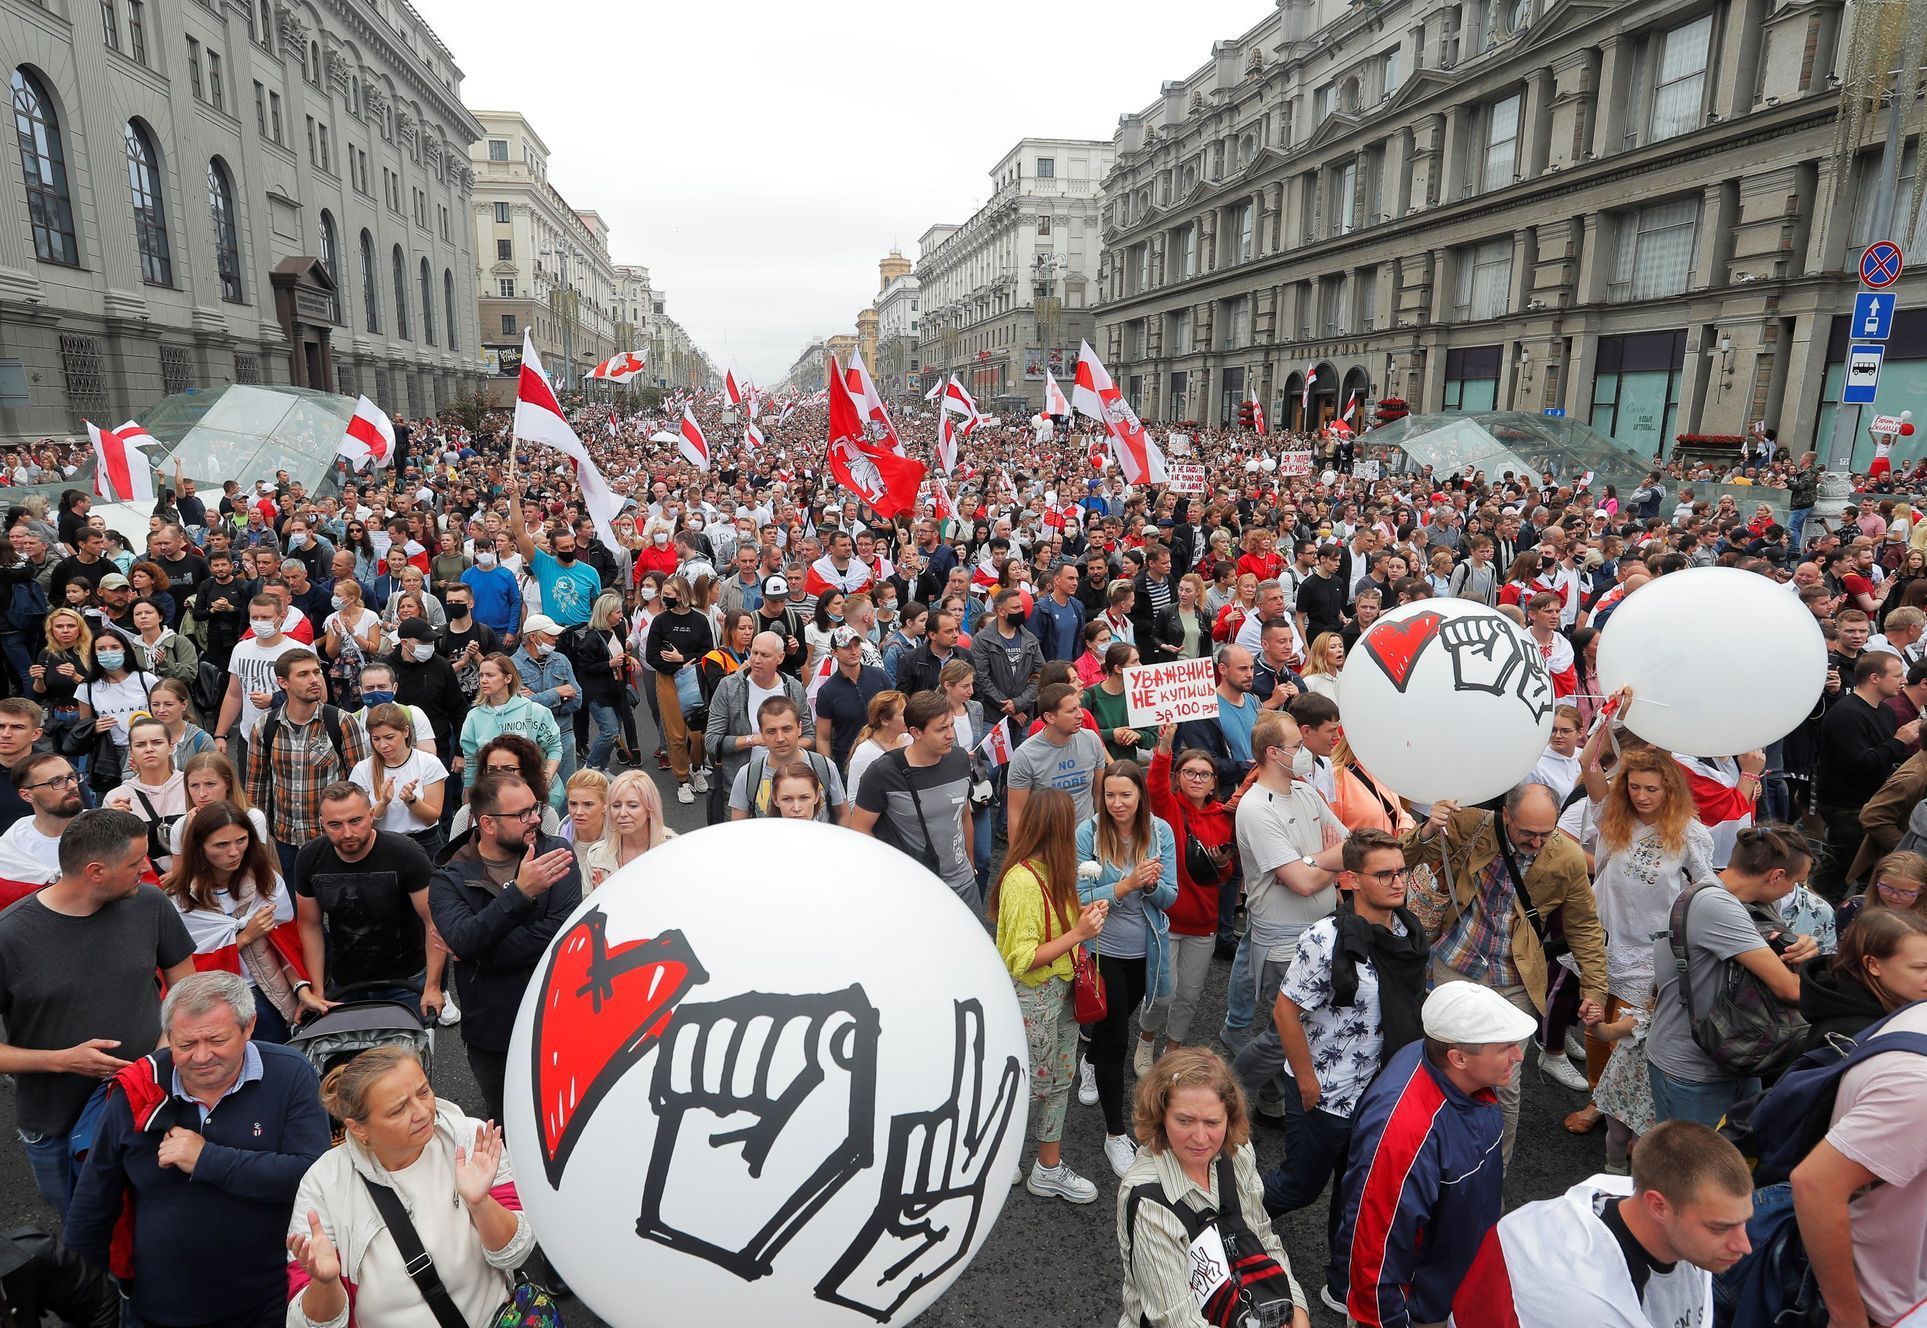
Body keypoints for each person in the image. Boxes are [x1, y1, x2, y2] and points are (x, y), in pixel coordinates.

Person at [63, 970, 332, 1328]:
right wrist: (81, 1303)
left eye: (216, 1040)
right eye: (186, 1045)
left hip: (270, 1299)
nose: (201, 1057)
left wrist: (207, 1159)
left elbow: (313, 1175)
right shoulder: (139, 1090)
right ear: (169, 1036)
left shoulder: (290, 1075)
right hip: (162, 1307)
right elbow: (93, 1205)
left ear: (249, 1027)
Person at [1260, 830, 1429, 1304]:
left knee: (1355, 1194)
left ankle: (1341, 1282)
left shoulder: (1406, 933)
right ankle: (1230, 1217)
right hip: (1327, 1094)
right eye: (1385, 874)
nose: (1399, 883)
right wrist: (1309, 1082)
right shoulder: (1325, 938)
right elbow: (1285, 1012)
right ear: (1352, 879)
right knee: (1300, 1186)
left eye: (1402, 872)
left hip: (1380, 1092)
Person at [0, 808, 196, 1212]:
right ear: (95, 871)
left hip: (149, 1108)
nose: (146, 869)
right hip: (56, 1124)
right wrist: (62, 1061)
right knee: (84, 1240)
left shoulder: (150, 903)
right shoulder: (10, 937)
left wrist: (161, 1052)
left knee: (153, 1229)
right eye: (134, 863)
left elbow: (187, 986)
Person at [1408, 782, 1610, 1165]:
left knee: (1505, 1085)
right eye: (1527, 833)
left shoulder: (1566, 857)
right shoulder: (1471, 824)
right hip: (1456, 966)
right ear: (1506, 816)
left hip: (1515, 982)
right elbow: (1401, 856)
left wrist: (1595, 990)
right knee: (1446, 1066)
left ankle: (1491, 1174)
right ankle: (1433, 1161)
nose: (1537, 843)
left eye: (1545, 834)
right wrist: (1428, 830)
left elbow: (1584, 926)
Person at [1333, 982, 1536, 1328]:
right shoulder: (1402, 1135)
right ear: (1458, 1057)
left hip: (1456, 1279)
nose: (1518, 1056)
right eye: (1505, 1048)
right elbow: (1374, 1254)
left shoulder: (1456, 1071)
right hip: (1423, 1308)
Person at [284, 1047, 534, 1328]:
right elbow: (307, 1324)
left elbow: (517, 1252)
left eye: (424, 1092)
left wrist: (480, 1204)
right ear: (358, 1129)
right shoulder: (322, 1185)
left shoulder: (468, 1138)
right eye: (398, 1109)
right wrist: (325, 1281)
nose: (422, 1112)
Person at [1451, 1121, 1755, 1328]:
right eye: (1719, 1228)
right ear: (1657, 1205)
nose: (1745, 1245)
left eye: (1743, 1223)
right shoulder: (1584, 1308)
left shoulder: (1661, 1209)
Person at [1565, 726, 1716, 1132]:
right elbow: (1588, 763)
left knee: (1634, 1037)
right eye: (1633, 787)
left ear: (1670, 790)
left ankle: (1633, 1111)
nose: (1641, 796)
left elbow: (1708, 892)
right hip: (1605, 942)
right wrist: (1611, 718)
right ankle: (1598, 1099)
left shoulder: (1691, 834)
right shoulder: (1613, 817)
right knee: (1595, 1026)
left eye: (1651, 789)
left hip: (1654, 954)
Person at [1116, 1046, 1310, 1328]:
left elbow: (1264, 1238)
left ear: (1229, 1118)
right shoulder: (1148, 1199)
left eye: (1212, 1122)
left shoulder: (1237, 1153)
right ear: (1160, 1115)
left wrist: (1297, 1309)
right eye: (1184, 1120)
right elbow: (1177, 1320)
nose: (1200, 1138)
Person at [429, 771, 580, 1122]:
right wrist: (520, 893)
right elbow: (465, 940)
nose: (537, 819)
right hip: (494, 1033)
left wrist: (480, 950)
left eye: (535, 808)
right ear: (487, 823)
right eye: (523, 814)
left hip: (560, 1017)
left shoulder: (556, 852)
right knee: (509, 1120)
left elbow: (562, 933)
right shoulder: (448, 879)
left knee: (570, 1117)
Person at [1646, 824, 1814, 1127]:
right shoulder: (1716, 906)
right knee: (1690, 1170)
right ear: (1776, 875)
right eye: (1796, 883)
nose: (1796, 891)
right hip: (1692, 1068)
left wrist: (1803, 946)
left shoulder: (1742, 898)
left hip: (1732, 1056)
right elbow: (1790, 989)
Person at [1788, 962, 1927, 1328]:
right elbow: (1816, 1186)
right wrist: (1849, 1319)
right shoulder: (1918, 1086)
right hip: (1888, 1304)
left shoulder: (1917, 1011)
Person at [991, 787, 1105, 1204]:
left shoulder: (1058, 870)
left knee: (1060, 1078)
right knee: (1024, 1082)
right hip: (1033, 995)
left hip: (1060, 992)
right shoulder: (1021, 879)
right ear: (1056, 828)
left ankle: (1048, 1168)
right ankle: (999, 1160)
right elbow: (1022, 958)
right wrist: (1080, 933)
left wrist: (1085, 923)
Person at [1228, 710, 1349, 1099]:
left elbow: (1350, 847)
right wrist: (1328, 858)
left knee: (1300, 1027)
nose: (1306, 752)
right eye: (1297, 746)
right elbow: (1301, 882)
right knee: (1287, 1032)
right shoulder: (1255, 807)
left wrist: (1315, 861)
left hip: (1323, 930)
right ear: (1272, 752)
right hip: (1283, 944)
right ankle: (1230, 1095)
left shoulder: (1307, 792)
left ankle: (1270, 1097)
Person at [1075, 759, 1178, 1177]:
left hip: (1147, 951)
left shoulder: (1160, 832)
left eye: (1126, 795)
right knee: (1117, 1032)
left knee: (1113, 1023)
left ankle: (1091, 1059)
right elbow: (1081, 895)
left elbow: (1170, 898)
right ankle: (1116, 1133)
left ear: (1141, 796)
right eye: (1110, 795)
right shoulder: (1088, 831)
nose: (1117, 803)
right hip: (1102, 949)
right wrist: (1127, 885)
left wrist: (1152, 885)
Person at [292, 782, 442, 1020]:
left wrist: (433, 986)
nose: (348, 833)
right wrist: (318, 988)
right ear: (322, 823)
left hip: (405, 981)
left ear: (371, 815)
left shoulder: (406, 853)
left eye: (355, 821)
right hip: (345, 981)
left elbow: (434, 922)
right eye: (335, 825)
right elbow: (310, 925)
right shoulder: (310, 858)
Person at [1143, 724, 1234, 1055]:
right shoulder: (1168, 808)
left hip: (1203, 924)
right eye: (1190, 772)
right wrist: (1166, 744)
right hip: (1167, 919)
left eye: (1205, 774)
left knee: (1189, 995)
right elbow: (1154, 785)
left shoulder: (1224, 819)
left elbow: (1225, 877)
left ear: (1214, 783)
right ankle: (1146, 1039)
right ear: (1178, 776)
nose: (1197, 779)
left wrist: (1223, 864)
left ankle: (1173, 1049)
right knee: (1162, 991)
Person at [246, 649, 370, 877]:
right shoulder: (265, 726)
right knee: (294, 911)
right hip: (285, 840)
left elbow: (361, 784)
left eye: (316, 672)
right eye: (303, 674)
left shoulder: (341, 722)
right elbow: (256, 787)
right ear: (283, 682)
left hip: (333, 839)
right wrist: (257, 839)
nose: (314, 680)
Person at [850, 690, 977, 905]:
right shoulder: (883, 772)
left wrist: (970, 868)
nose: (951, 735)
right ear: (916, 733)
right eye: (941, 729)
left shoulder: (959, 760)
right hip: (914, 893)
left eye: (951, 725)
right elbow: (860, 829)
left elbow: (964, 816)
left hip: (964, 887)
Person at [1814, 651, 1919, 900]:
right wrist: (1898, 741)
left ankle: (1827, 906)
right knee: (1857, 869)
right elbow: (1859, 763)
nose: (1903, 680)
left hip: (1868, 800)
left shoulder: (1884, 711)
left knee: (1843, 867)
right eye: (1897, 675)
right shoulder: (1848, 715)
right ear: (1874, 677)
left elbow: (1883, 758)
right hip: (1846, 806)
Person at [213, 593, 310, 768]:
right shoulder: (241, 649)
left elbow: (317, 696)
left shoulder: (298, 651)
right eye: (254, 617)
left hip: (289, 739)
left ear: (281, 617)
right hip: (249, 737)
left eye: (265, 617)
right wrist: (220, 734)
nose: (259, 622)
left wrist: (274, 700)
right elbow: (234, 694)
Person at [1005, 681, 1109, 836]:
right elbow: (1016, 814)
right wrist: (1017, 858)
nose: (1080, 714)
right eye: (1072, 710)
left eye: (1079, 707)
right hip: (1045, 845)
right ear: (1050, 717)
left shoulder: (1092, 740)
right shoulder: (1025, 755)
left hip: (1087, 841)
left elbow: (1099, 796)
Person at [646, 574, 715, 805]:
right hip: (668, 679)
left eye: (669, 594)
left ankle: (697, 767)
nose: (665, 599)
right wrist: (676, 665)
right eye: (663, 594)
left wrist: (684, 658)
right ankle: (682, 781)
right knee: (676, 735)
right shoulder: (660, 621)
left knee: (698, 734)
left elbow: (708, 651)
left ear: (682, 595)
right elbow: (652, 656)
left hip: (695, 679)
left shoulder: (700, 620)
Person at [350, 701, 450, 860]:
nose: (383, 745)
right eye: (376, 739)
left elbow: (431, 818)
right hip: (381, 844)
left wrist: (411, 800)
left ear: (405, 732)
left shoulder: (429, 763)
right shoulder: (362, 769)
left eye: (389, 737)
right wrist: (382, 803)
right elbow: (360, 823)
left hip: (423, 844)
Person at [460, 653, 561, 807]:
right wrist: (468, 801)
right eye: (481, 675)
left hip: (535, 796)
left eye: (490, 675)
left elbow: (554, 749)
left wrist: (545, 780)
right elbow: (471, 763)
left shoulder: (535, 711)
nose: (483, 680)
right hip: (493, 799)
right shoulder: (473, 717)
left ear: (507, 678)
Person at [728, 695, 846, 822]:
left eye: (787, 729)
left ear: (799, 728)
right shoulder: (747, 775)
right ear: (761, 733)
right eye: (771, 731)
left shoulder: (824, 767)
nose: (780, 738)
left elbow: (843, 815)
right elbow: (739, 828)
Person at [102, 713, 187, 872]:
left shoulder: (191, 786)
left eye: (157, 742)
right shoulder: (116, 797)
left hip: (191, 879)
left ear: (171, 747)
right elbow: (108, 854)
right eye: (140, 744)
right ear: (131, 752)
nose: (149, 749)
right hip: (144, 884)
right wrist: (111, 824)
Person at [511, 613, 582, 791]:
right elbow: (520, 706)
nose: (556, 638)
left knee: (568, 790)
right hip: (531, 740)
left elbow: (578, 700)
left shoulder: (561, 660)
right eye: (550, 634)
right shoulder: (511, 665)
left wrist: (536, 698)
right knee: (534, 791)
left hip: (563, 733)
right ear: (533, 637)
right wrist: (557, 693)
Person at [0, 751, 81, 898]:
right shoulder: (12, 845)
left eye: (71, 777)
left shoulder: (103, 830)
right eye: (56, 781)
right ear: (27, 795)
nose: (72, 785)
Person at [817, 625, 890, 771]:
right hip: (848, 763)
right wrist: (829, 772)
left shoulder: (879, 676)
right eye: (846, 647)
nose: (854, 651)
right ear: (835, 652)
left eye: (856, 645)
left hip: (885, 757)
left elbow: (897, 712)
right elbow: (822, 737)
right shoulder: (827, 691)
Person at [584, 769, 671, 888]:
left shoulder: (674, 852)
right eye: (616, 806)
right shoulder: (596, 855)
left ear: (650, 810)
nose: (623, 813)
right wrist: (599, 899)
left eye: (633, 806)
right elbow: (585, 904)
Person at [845, 689, 909, 801]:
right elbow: (853, 799)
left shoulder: (912, 740)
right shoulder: (864, 752)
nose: (910, 717)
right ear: (884, 721)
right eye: (903, 714)